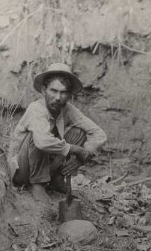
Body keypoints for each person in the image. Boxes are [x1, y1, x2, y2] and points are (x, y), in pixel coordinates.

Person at [8, 63, 107, 202]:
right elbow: (42, 142)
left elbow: (99, 134)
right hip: (22, 170)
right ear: (44, 90)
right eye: (53, 91)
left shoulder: (68, 110)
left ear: (69, 94)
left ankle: (57, 179)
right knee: (38, 136)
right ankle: (37, 184)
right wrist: (75, 149)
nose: (58, 97)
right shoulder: (36, 108)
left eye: (63, 92)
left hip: (47, 165)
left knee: (79, 133)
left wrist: (81, 156)